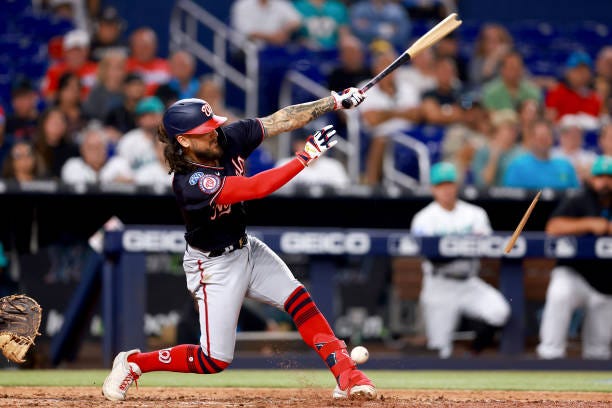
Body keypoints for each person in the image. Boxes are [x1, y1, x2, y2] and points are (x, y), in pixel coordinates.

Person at [101, 88, 376, 401]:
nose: (214, 134)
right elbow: (254, 188)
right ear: (184, 141)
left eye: (214, 125)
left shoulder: (229, 137)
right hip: (212, 264)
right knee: (214, 360)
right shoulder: (190, 181)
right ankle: (134, 363)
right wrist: (304, 158)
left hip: (246, 248)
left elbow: (281, 120)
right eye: (204, 132)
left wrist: (335, 102)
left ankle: (348, 375)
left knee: (300, 301)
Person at [410, 162, 510, 358]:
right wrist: (465, 246)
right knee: (440, 349)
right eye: (441, 185)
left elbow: (487, 244)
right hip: (439, 284)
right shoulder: (423, 218)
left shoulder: (475, 214)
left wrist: (457, 247)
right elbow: (432, 256)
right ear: (433, 189)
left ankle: (472, 353)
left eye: (449, 184)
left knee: (499, 311)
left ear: (456, 186)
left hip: (468, 282)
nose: (446, 190)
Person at [537, 155, 612, 360]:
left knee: (599, 351)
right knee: (560, 294)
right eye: (600, 177)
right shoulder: (579, 199)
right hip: (574, 273)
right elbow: (553, 227)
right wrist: (589, 224)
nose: (604, 182)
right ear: (591, 179)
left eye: (609, 177)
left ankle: (593, 385)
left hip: (606, 283)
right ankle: (549, 356)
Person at [503, 119, 579, 190]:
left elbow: (576, 195)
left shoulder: (566, 166)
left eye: (547, 137)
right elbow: (510, 198)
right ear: (531, 139)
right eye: (540, 138)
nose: (544, 141)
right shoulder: (517, 167)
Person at [60, 124, 133, 185]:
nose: (95, 152)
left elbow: (130, 183)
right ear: (82, 150)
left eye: (98, 147)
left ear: (105, 149)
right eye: (91, 147)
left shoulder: (118, 163)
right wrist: (111, 181)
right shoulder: (73, 165)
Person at [545, 51, 602, 127]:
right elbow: (549, 122)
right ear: (568, 72)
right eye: (577, 70)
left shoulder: (595, 97)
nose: (581, 75)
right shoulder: (556, 92)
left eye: (585, 70)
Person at [41, 29, 98, 102]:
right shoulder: (54, 71)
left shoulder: (96, 70)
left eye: (79, 50)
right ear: (65, 52)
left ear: (87, 52)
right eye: (72, 50)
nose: (75, 54)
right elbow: (48, 95)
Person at [230, 0, 302, 50]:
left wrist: (284, 31)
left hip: (276, 47)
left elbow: (296, 21)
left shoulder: (280, 4)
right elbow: (248, 32)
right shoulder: (242, 5)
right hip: (247, 48)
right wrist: (273, 37)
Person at [551, 114, 597, 184]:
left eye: (577, 133)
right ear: (561, 135)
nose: (573, 136)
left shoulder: (590, 156)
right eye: (568, 133)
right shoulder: (551, 154)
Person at [126, 27, 171, 96]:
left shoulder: (167, 67)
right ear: (132, 47)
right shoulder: (123, 66)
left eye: (146, 46)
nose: (142, 50)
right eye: (138, 46)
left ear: (155, 46)